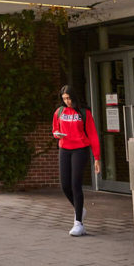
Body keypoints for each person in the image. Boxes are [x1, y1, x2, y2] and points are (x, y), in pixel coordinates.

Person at [52, 84, 101, 237]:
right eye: (64, 99)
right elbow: (54, 129)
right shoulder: (59, 112)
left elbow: (92, 135)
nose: (67, 101)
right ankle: (80, 208)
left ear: (74, 97)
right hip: (64, 149)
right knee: (65, 185)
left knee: (75, 185)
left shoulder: (84, 113)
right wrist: (57, 134)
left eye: (68, 98)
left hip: (80, 150)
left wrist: (97, 158)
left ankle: (78, 223)